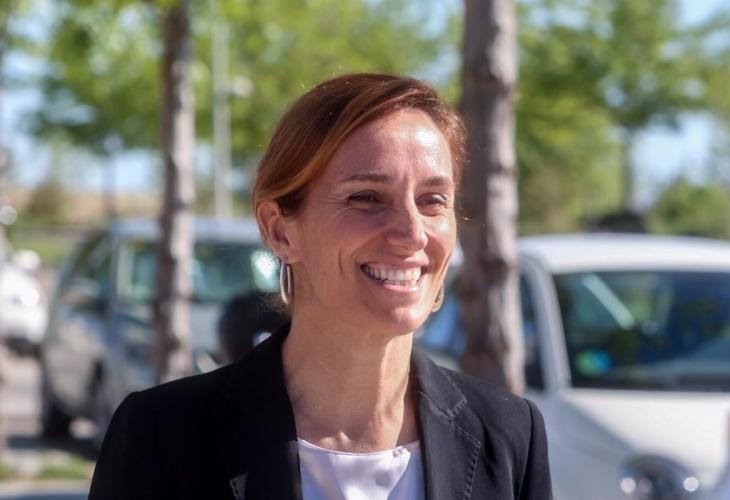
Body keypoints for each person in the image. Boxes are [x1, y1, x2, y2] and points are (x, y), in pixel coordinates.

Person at [89, 73, 552, 500]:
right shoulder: (163, 436)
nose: (412, 233)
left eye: (433, 200)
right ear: (280, 231)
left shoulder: (509, 433)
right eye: (366, 198)